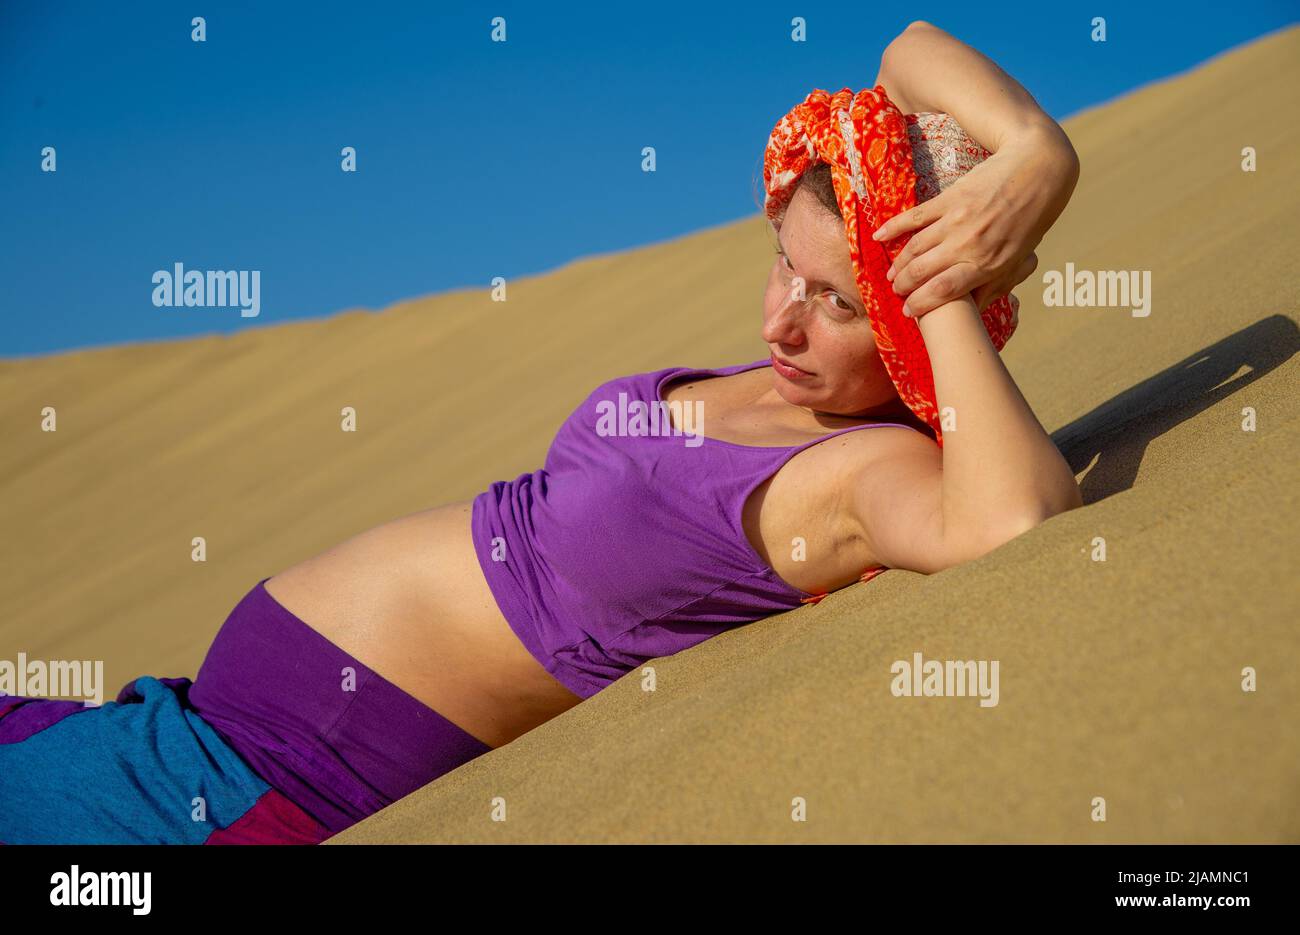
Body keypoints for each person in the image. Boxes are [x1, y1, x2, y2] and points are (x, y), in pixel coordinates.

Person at [0, 21, 1082, 844]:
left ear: (913, 315)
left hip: (245, 787)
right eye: (782, 267)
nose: (777, 321)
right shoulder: (788, 382)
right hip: (178, 716)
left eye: (840, 303)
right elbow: (904, 50)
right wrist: (1038, 150)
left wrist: (935, 283)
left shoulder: (865, 465)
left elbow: (1010, 518)